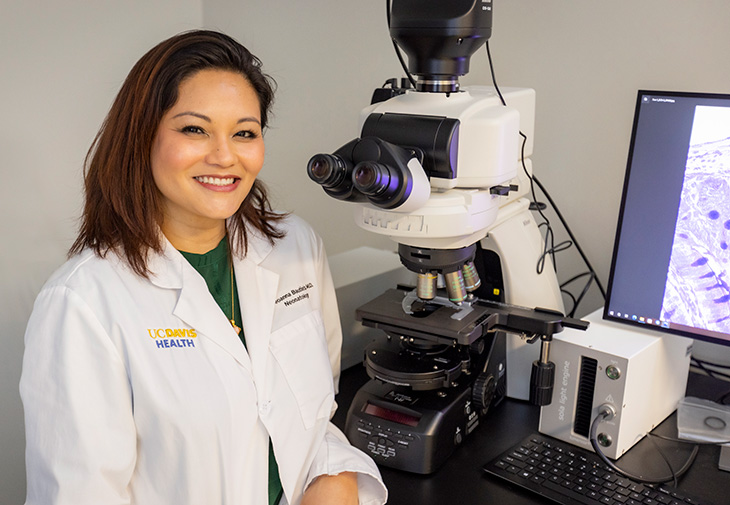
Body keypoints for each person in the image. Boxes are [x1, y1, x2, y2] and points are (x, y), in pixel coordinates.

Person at [20, 29, 387, 505]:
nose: (225, 155)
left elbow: (310, 421)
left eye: (244, 132)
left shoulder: (295, 246)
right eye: (194, 129)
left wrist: (335, 479)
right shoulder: (82, 303)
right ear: (142, 136)